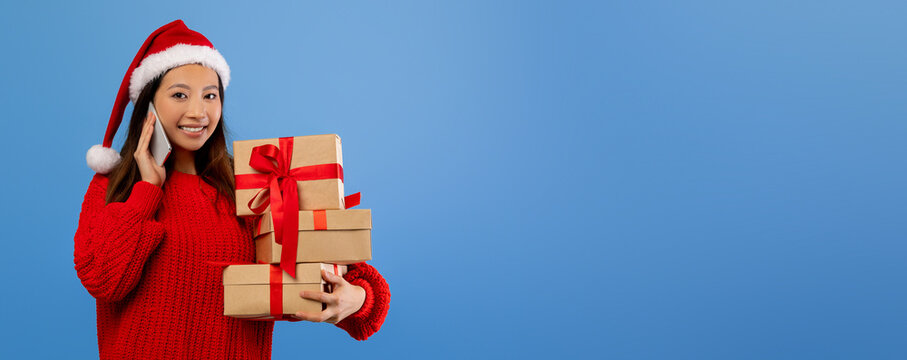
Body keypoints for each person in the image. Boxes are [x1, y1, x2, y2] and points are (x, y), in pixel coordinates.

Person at [74, 20, 389, 359]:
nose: (198, 112)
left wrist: (358, 298)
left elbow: (353, 278)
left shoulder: (252, 186)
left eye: (210, 95)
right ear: (148, 105)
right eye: (179, 95)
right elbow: (103, 279)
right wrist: (148, 190)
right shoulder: (114, 186)